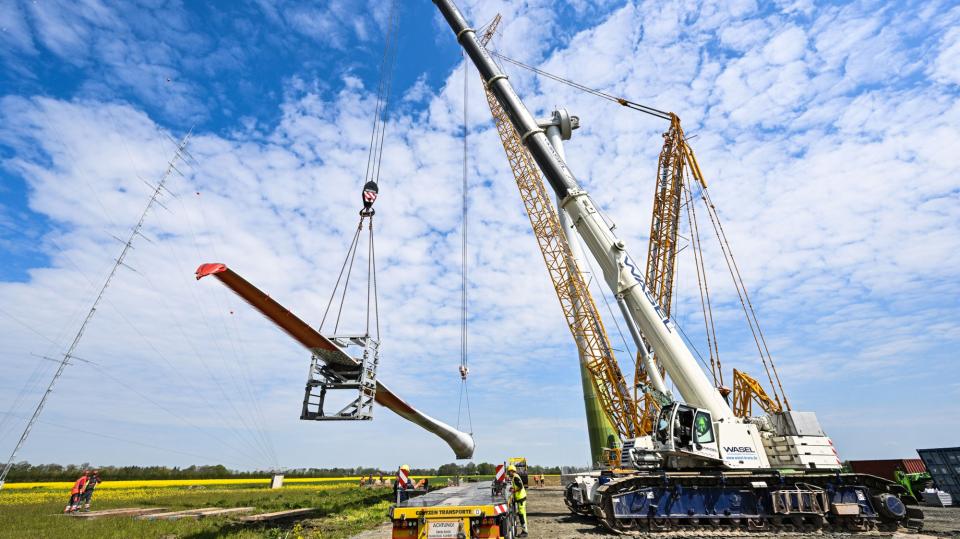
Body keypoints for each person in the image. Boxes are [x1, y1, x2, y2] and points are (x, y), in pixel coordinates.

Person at [507, 465, 528, 537]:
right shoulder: (514, 477)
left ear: (512, 471)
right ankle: (524, 531)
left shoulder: (515, 477)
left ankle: (525, 532)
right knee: (522, 514)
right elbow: (517, 486)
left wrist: (514, 490)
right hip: (520, 498)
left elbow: (520, 486)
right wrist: (512, 488)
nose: (509, 473)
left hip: (521, 498)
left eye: (509, 471)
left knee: (522, 515)